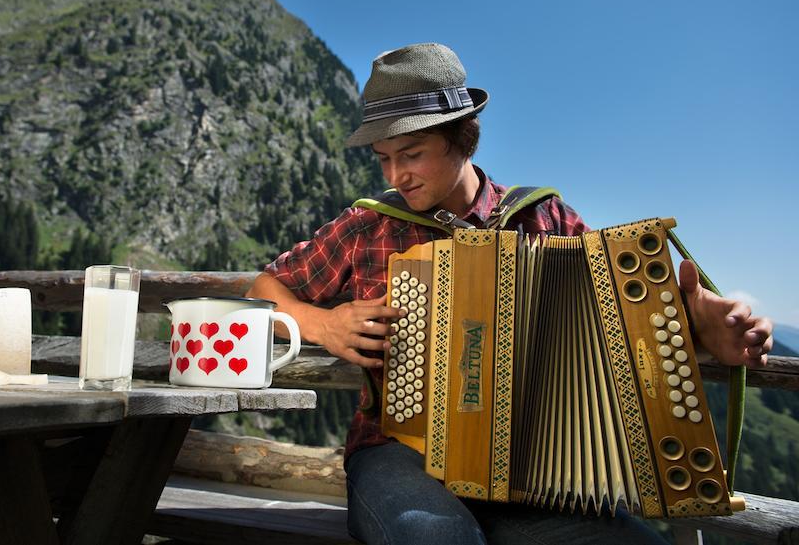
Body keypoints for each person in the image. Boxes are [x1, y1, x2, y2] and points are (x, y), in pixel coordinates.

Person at [246, 42, 774, 545]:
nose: (395, 175)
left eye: (411, 153)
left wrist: (702, 331)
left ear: (462, 138)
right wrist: (322, 324)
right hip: (398, 452)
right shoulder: (368, 226)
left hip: (534, 466)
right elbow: (263, 289)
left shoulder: (545, 219)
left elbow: (622, 324)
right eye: (383, 158)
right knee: (434, 536)